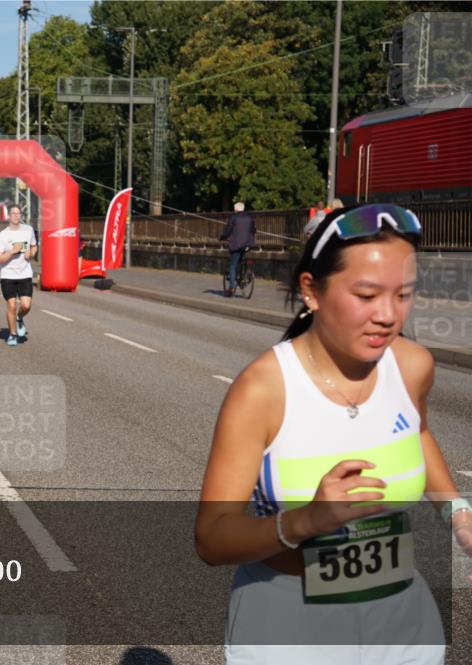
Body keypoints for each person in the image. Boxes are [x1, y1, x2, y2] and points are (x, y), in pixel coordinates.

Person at [195, 204, 470, 664]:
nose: (388, 314)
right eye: (366, 295)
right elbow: (211, 538)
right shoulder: (263, 389)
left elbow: (418, 433)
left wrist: (457, 513)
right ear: (311, 291)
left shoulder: (413, 365)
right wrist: (307, 521)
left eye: (404, 295)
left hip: (402, 620)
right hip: (289, 621)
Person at [0, 204, 37, 346]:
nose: (16, 216)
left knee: (26, 305)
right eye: (13, 213)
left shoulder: (28, 230)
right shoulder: (3, 235)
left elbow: (34, 246)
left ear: (21, 216)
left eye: (18, 213)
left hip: (25, 273)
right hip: (8, 275)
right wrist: (12, 251)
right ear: (9, 216)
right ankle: (12, 334)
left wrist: (31, 253)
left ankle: (20, 318)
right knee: (11, 305)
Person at [219, 202, 256, 297]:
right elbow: (253, 230)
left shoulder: (233, 217)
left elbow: (228, 230)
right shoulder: (250, 217)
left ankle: (231, 288)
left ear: (236, 209)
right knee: (242, 257)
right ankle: (244, 274)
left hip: (236, 245)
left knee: (232, 266)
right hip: (248, 244)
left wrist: (223, 237)